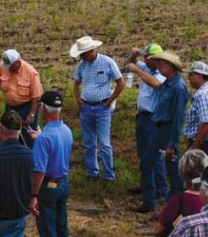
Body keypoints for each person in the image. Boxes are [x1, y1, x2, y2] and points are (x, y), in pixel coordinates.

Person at [29, 91, 74, 237]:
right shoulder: (66, 130)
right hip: (63, 182)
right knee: (61, 227)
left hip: (48, 187)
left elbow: (39, 171)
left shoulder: (43, 138)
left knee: (47, 231)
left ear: (44, 109)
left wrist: (33, 195)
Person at [71, 35, 124, 181]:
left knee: (104, 143)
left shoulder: (107, 62)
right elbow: (76, 83)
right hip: (86, 107)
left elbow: (121, 83)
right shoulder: (81, 65)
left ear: (92, 51)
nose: (82, 56)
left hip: (102, 107)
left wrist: (110, 101)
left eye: (83, 53)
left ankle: (108, 174)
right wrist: (79, 100)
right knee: (89, 143)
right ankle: (92, 172)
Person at [124, 43, 169, 213]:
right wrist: (133, 57)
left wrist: (137, 70)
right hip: (143, 118)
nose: (143, 59)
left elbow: (155, 83)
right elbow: (128, 67)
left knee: (155, 157)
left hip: (153, 119)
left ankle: (160, 193)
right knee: (144, 156)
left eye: (145, 57)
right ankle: (150, 189)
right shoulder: (146, 67)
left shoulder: (161, 73)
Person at [0, 49, 43, 139]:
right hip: (10, 108)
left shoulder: (30, 72)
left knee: (28, 137)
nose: (9, 68)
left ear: (17, 62)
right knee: (8, 135)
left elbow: (36, 97)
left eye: (11, 66)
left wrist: (32, 114)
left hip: (26, 108)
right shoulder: (3, 66)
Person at [149, 52, 189, 199]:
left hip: (167, 131)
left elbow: (178, 118)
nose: (159, 66)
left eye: (162, 63)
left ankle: (175, 203)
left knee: (173, 171)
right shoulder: (166, 84)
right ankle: (154, 201)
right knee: (148, 163)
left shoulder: (178, 88)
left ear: (172, 67)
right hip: (159, 129)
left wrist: (172, 143)